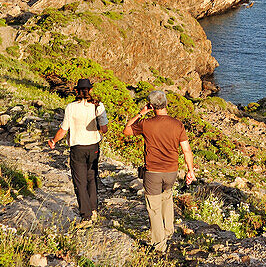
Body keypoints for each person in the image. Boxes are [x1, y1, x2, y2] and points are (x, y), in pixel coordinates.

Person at [124, 89, 196, 252]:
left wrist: (141, 113)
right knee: (167, 198)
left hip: (153, 172)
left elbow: (127, 130)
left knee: (154, 208)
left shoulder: (146, 124)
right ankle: (168, 232)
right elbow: (186, 150)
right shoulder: (177, 124)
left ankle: (159, 245)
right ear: (165, 104)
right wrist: (190, 170)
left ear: (151, 106)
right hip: (171, 172)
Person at [48, 78, 109, 225]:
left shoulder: (71, 107)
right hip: (93, 146)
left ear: (76, 91)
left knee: (79, 181)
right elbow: (105, 129)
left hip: (77, 148)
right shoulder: (98, 106)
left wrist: (54, 141)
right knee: (92, 177)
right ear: (91, 90)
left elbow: (64, 129)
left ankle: (86, 216)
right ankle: (93, 209)